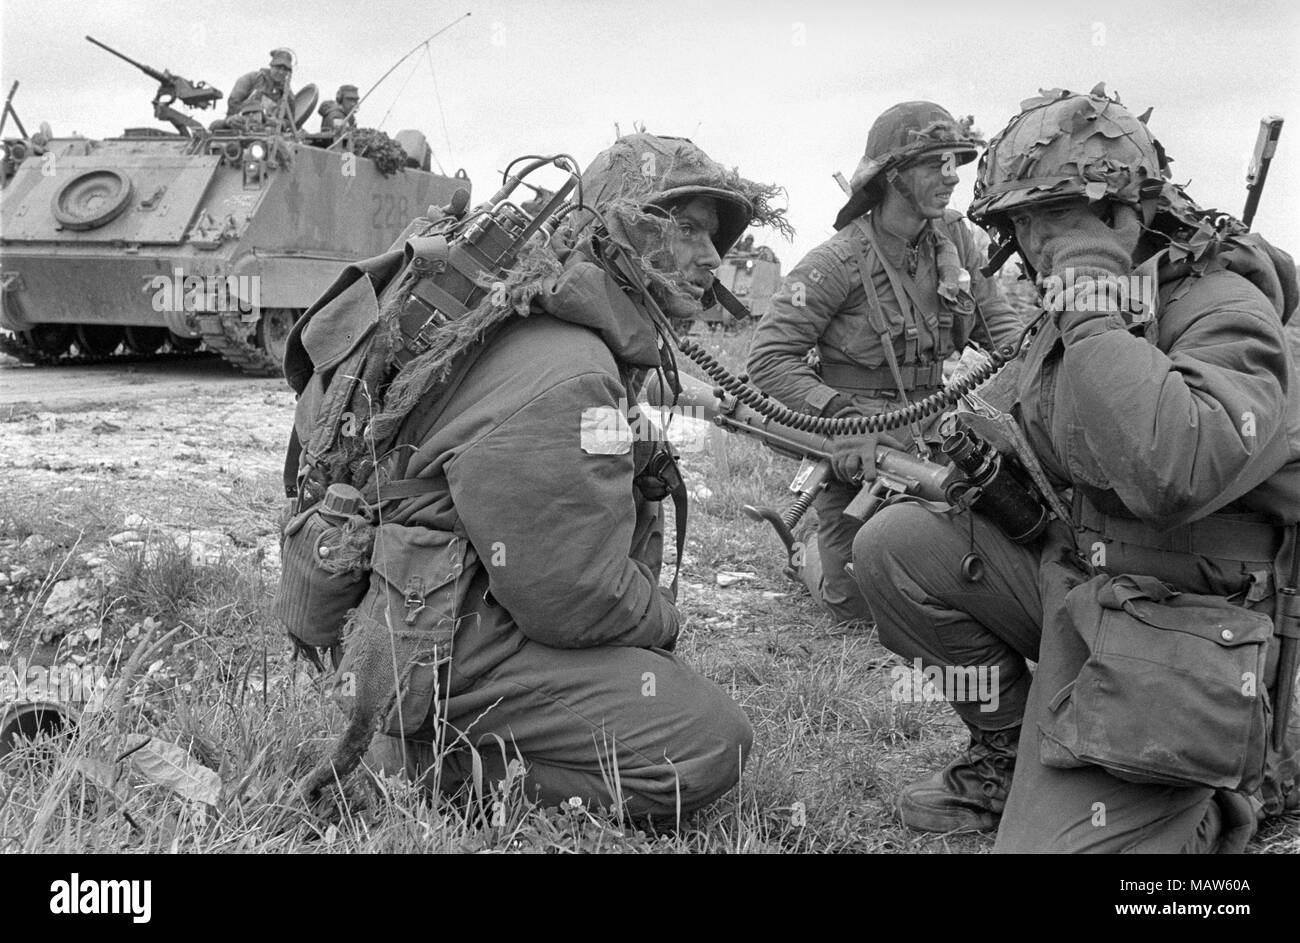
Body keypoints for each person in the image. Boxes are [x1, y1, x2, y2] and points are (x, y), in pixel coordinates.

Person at [283, 134, 788, 818]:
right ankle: (424, 766)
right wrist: (663, 621)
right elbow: (569, 597)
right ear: (618, 235)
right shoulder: (568, 364)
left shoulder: (551, 323)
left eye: (713, 237)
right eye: (687, 228)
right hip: (437, 638)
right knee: (704, 741)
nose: (711, 257)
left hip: (425, 609)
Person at [853, 85, 1300, 851]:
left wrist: (1089, 291)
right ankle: (1013, 752)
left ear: (1121, 213)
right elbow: (1028, 411)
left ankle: (1219, 796)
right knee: (895, 546)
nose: (1034, 243)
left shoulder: (1221, 302)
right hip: (1085, 579)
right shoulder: (1098, 295)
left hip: (1180, 619)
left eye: (1052, 219)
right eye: (1027, 224)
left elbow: (1175, 464)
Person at [746, 102, 1024, 625]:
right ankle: (802, 554)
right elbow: (768, 358)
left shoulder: (956, 244)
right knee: (854, 610)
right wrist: (842, 417)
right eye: (934, 164)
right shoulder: (835, 262)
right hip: (861, 446)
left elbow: (1003, 333)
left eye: (955, 164)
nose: (951, 177)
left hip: (938, 436)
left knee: (963, 582)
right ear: (893, 175)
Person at [226, 48, 295, 125]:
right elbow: (233, 102)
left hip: (268, 131)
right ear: (272, 66)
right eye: (278, 68)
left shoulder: (287, 94)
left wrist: (280, 123)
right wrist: (237, 116)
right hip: (241, 123)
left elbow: (290, 121)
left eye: (285, 70)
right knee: (216, 125)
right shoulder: (251, 78)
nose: (281, 72)